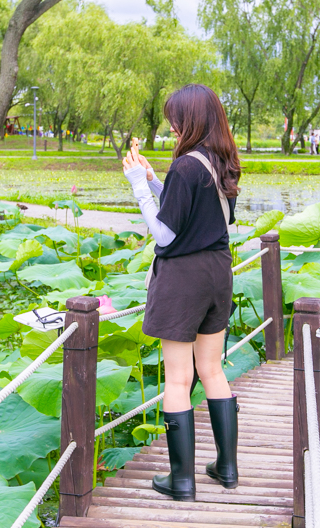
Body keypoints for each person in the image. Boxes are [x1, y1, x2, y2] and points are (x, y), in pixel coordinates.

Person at [122, 84, 241, 502]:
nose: (171, 126)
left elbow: (165, 233)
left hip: (184, 278)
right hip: (217, 274)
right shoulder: (220, 161)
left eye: (175, 118)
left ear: (189, 120)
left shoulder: (186, 167)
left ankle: (182, 480)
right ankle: (227, 468)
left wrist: (138, 184)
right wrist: (157, 182)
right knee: (211, 370)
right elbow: (199, 215)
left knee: (178, 377)